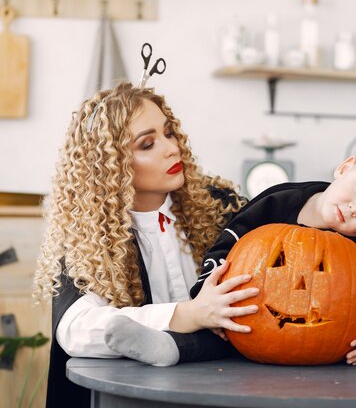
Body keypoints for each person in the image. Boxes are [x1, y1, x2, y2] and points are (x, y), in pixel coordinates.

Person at [103, 145, 356, 368]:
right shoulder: (279, 199)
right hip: (248, 318)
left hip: (338, 342)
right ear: (345, 168)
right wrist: (206, 295)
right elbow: (228, 242)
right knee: (215, 336)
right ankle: (165, 346)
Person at [32, 82, 256, 408]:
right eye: (148, 143)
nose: (172, 148)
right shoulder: (88, 238)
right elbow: (76, 330)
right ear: (109, 166)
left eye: (169, 133)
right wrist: (184, 315)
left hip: (222, 387)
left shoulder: (218, 205)